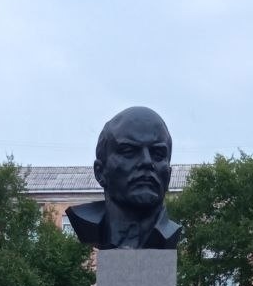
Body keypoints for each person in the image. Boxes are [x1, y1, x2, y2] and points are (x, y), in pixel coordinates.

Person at [65, 107, 182, 250]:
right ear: (100, 172)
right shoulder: (86, 223)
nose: (147, 162)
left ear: (169, 174)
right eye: (129, 151)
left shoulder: (170, 233)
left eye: (158, 153)